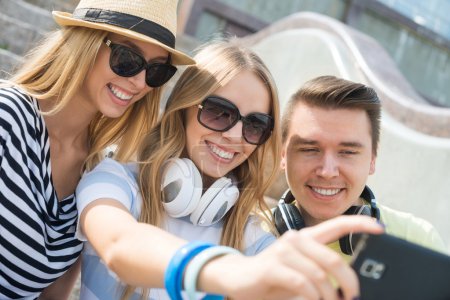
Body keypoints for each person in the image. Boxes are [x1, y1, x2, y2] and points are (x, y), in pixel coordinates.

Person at [75, 41, 383, 300]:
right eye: (219, 112)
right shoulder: (113, 181)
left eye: (254, 125)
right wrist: (225, 270)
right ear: (183, 109)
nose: (235, 136)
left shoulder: (253, 240)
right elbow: (119, 244)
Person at [0, 0, 195, 298]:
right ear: (87, 43)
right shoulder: (7, 116)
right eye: (127, 57)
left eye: (157, 71)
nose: (140, 81)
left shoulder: (93, 171)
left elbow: (53, 296)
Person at [274, 75, 447, 260]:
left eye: (347, 152)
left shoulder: (418, 241)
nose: (327, 172)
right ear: (283, 154)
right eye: (310, 149)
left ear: (372, 159)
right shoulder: (249, 233)